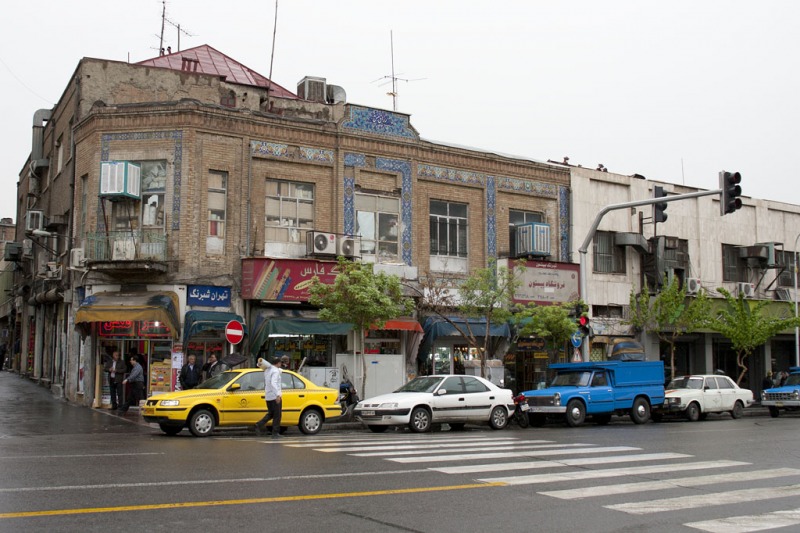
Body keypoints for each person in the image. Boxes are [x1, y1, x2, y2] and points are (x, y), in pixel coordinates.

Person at [254, 357, 282, 438]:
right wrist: (277, 395)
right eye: (280, 363)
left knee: (271, 414)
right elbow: (274, 383)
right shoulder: (275, 371)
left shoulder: (267, 370)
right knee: (277, 415)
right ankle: (275, 433)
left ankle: (259, 424)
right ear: (278, 363)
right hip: (274, 396)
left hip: (268, 396)